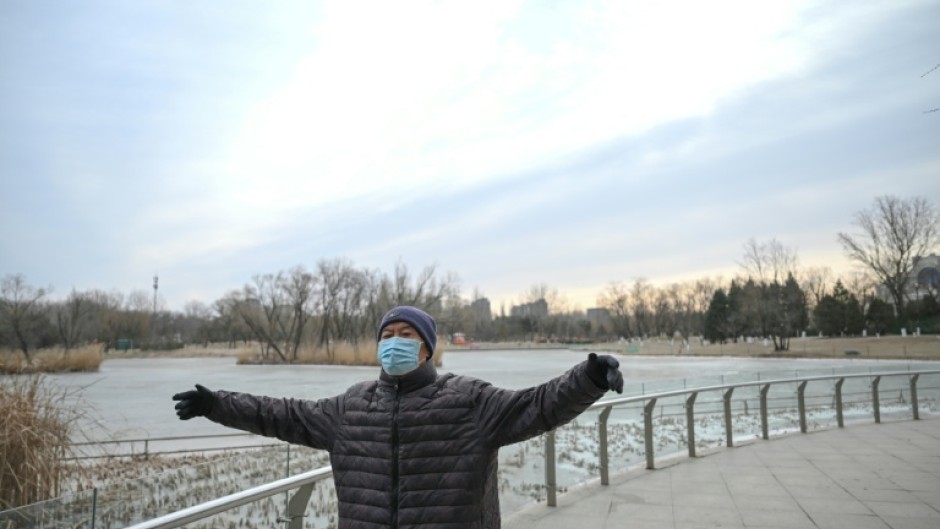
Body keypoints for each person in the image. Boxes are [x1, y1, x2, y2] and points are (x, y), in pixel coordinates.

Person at [173, 305, 623, 529]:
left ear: (426, 347)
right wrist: (217, 404)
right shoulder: (351, 407)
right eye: (387, 335)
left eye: (406, 334)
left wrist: (588, 378)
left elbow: (538, 405)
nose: (394, 342)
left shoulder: (469, 401)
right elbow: (284, 416)